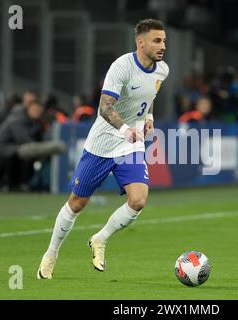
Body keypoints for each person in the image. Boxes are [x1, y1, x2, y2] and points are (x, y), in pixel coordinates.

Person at [37, 18, 169, 279]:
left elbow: (149, 97)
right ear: (140, 42)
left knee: (138, 200)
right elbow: (105, 107)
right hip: (102, 142)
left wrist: (149, 118)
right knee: (77, 203)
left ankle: (100, 238)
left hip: (130, 145)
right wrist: (125, 129)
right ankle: (51, 253)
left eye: (164, 40)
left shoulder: (162, 70)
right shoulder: (121, 67)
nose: (162, 45)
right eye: (157, 40)